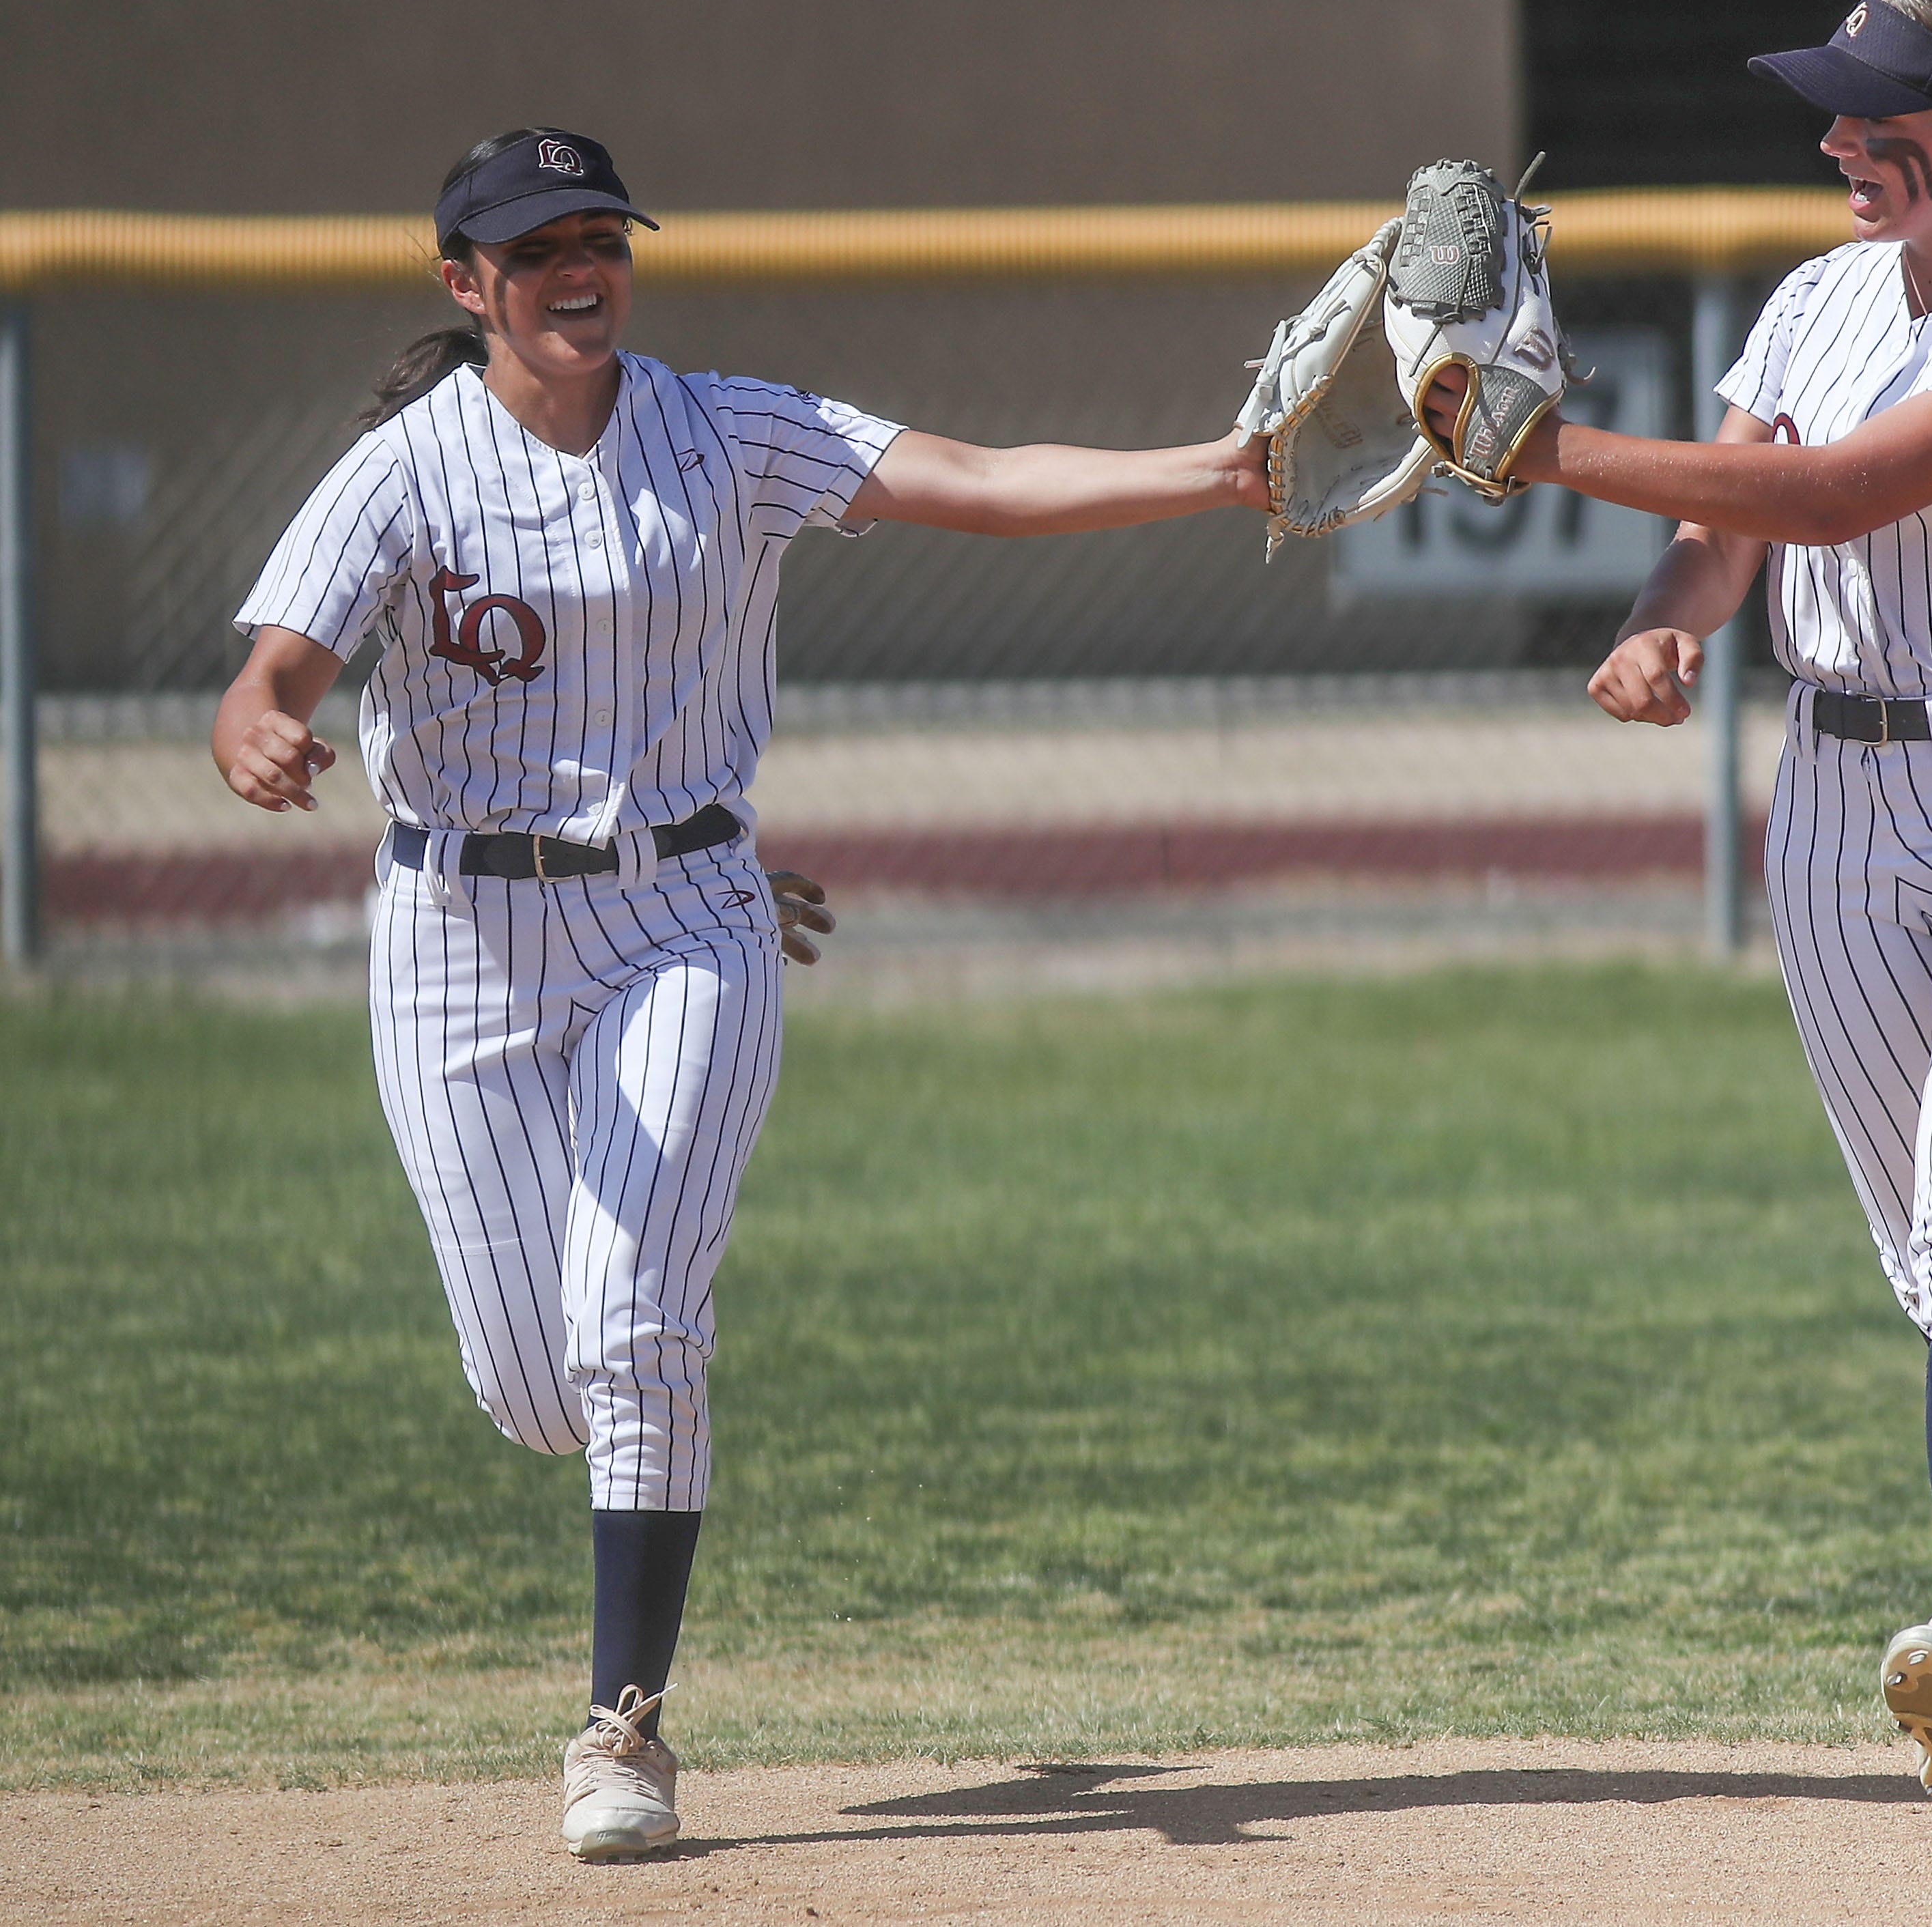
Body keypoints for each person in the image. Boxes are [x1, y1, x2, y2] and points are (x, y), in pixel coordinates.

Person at [212, 128, 1270, 1860]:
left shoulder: (729, 430)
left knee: (637, 1329)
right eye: (532, 241)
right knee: (536, 1389)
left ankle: (621, 1728)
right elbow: (273, 670)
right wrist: (258, 727)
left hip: (685, 927)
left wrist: (1212, 472)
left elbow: (981, 480)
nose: (578, 261)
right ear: (463, 282)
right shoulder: (406, 474)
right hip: (455, 945)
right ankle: (604, 1515)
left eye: (599, 233)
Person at [1424, 0, 1932, 1814]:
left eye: (1884, 114)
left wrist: (1532, 445)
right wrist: (1665, 625)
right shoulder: (1820, 295)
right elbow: (1737, 516)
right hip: (1835, 788)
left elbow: (1835, 498)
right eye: (1835, 108)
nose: (1839, 137)